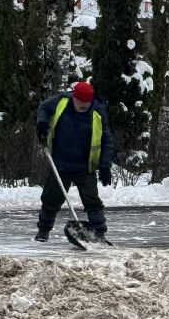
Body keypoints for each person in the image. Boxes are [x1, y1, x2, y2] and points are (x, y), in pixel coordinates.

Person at [35, 80, 114, 242]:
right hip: (60, 162)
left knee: (92, 200)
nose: (84, 106)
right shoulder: (61, 102)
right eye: (81, 103)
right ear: (74, 98)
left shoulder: (97, 112)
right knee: (51, 198)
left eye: (87, 103)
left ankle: (100, 233)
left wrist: (105, 166)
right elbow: (44, 107)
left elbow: (106, 139)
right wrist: (42, 123)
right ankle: (43, 230)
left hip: (85, 166)